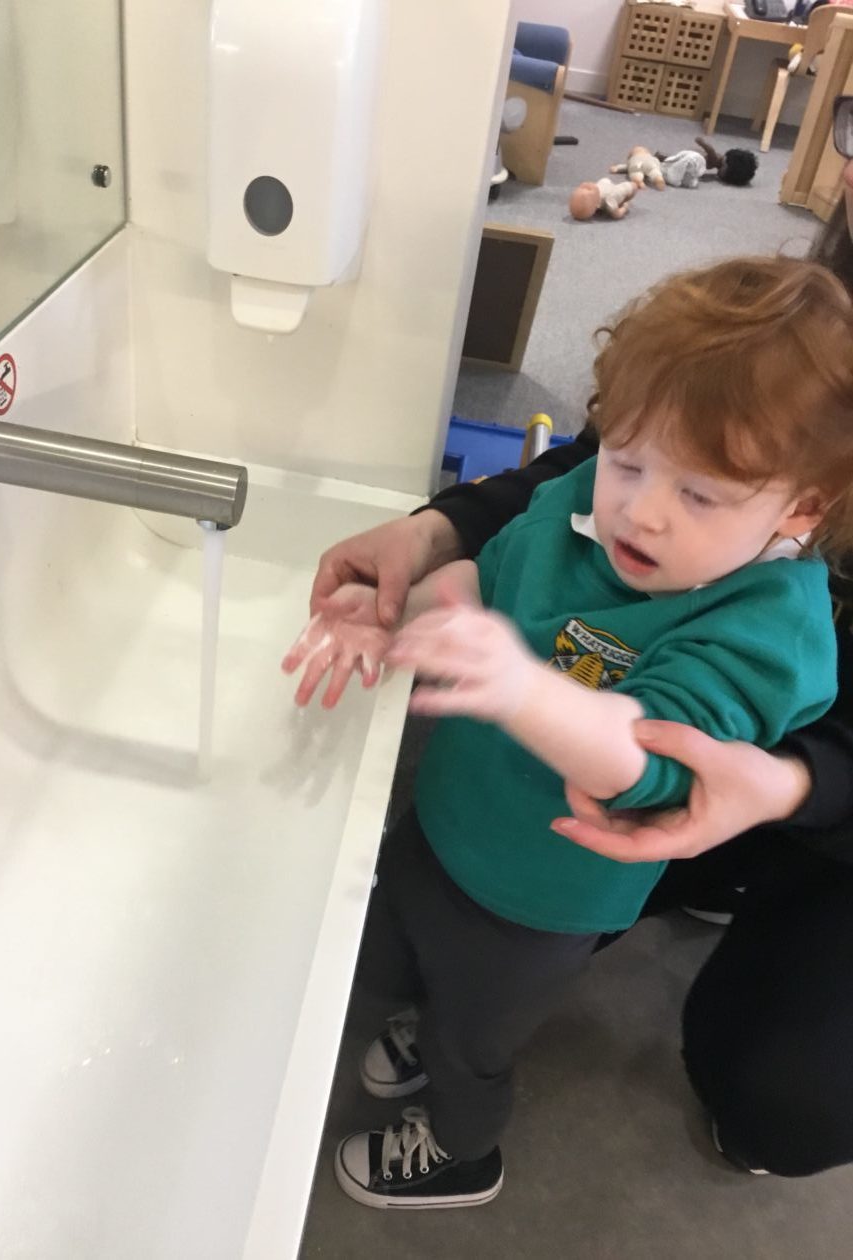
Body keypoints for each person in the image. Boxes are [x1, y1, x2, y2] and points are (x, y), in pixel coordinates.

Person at [299, 97, 853, 1191]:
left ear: (800, 509)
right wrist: (423, 597)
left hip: (540, 900)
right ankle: (423, 1025)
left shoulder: (765, 627)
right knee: (397, 944)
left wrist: (512, 683)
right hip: (451, 821)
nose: (641, 509)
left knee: (477, 1036)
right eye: (630, 460)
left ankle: (461, 1151)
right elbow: (492, 575)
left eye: (701, 494)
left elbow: (644, 759)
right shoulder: (587, 504)